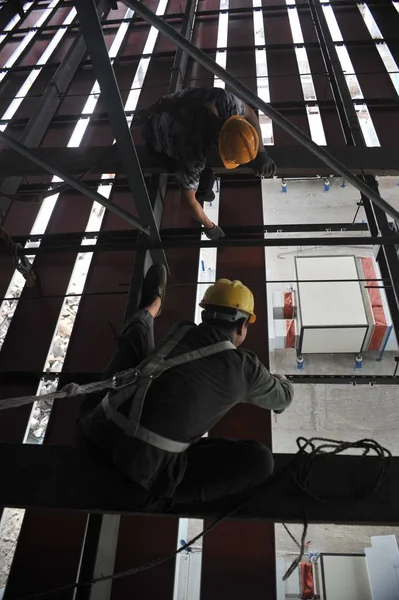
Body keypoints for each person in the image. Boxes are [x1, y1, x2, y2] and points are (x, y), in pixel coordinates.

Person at [77, 264, 293, 510]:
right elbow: (283, 398)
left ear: (204, 315)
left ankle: (151, 307)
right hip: (130, 486)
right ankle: (165, 490)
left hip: (90, 436)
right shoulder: (246, 369)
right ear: (243, 325)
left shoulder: (181, 330)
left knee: (137, 342)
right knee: (260, 462)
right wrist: (281, 379)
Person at [141, 87, 276, 240]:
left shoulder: (224, 101)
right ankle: (201, 191)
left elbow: (250, 113)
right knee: (205, 178)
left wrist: (261, 153)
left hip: (168, 105)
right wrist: (210, 227)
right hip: (155, 137)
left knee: (206, 176)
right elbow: (187, 201)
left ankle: (201, 189)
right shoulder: (191, 153)